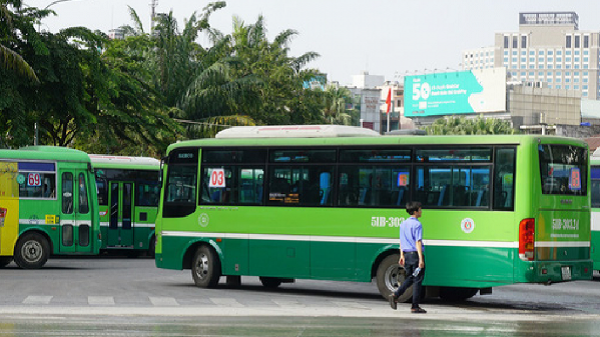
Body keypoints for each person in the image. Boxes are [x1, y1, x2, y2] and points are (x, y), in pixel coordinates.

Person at [388, 201, 426, 313]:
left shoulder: (403, 224)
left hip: (407, 255)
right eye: (420, 209)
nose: (421, 211)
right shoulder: (417, 224)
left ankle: (396, 294)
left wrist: (401, 255)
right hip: (415, 255)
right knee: (417, 280)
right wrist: (420, 259)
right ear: (415, 211)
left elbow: (401, 240)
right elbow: (417, 242)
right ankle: (415, 306)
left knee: (411, 277)